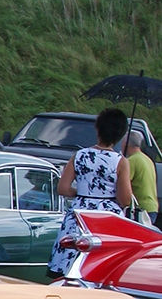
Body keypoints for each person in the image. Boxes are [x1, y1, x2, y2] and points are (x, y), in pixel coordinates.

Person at [48, 108, 133, 277]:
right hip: (106, 220)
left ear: (97, 129)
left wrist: (82, 193)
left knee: (66, 267)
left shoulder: (79, 155)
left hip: (78, 215)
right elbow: (125, 200)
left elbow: (63, 188)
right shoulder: (121, 162)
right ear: (121, 134)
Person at [126, 130, 158, 226]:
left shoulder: (132, 160)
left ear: (126, 143)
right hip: (152, 207)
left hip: (140, 209)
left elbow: (123, 184)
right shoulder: (147, 159)